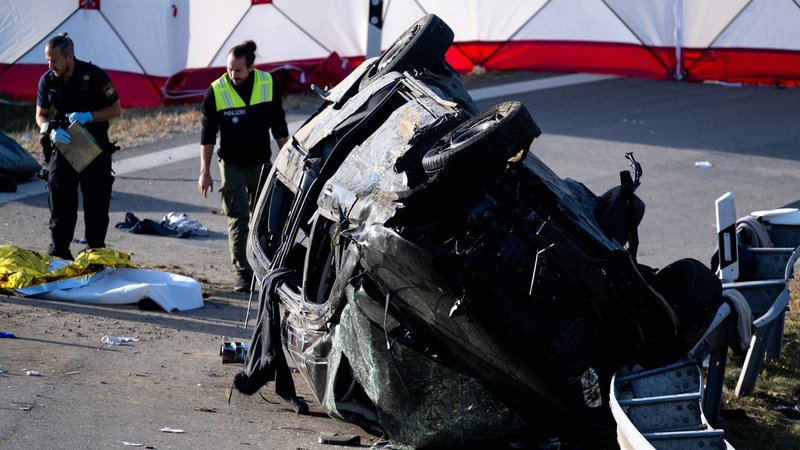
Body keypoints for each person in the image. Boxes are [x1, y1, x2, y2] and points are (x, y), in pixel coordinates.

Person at [198, 40, 289, 293]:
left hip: (261, 164)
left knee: (264, 220)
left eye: (237, 70)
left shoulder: (267, 84)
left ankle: (263, 268)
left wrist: (291, 161)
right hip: (232, 165)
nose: (232, 75)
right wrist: (205, 172)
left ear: (250, 68)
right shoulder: (215, 91)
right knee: (238, 218)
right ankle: (243, 274)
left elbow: (279, 127)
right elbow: (207, 137)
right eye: (229, 69)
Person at [35, 32, 122, 260]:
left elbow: (116, 109)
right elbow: (40, 115)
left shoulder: (94, 76)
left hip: (94, 148)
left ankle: (94, 254)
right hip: (63, 147)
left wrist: (88, 117)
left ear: (70, 57)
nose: (50, 65)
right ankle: (60, 255)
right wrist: (50, 130)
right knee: (60, 204)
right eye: (48, 60)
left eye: (54, 60)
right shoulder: (47, 80)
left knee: (96, 206)